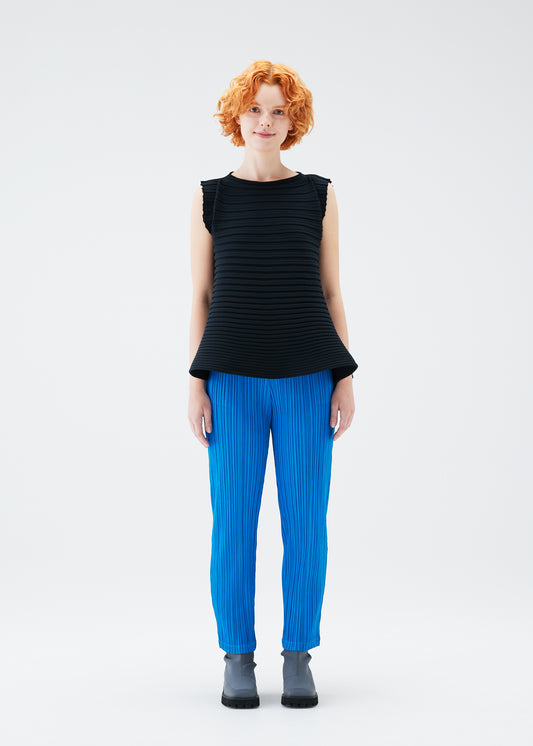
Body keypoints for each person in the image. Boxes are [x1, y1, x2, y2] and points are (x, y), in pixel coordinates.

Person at [188, 60, 358, 709]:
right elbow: (201, 296)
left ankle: (297, 655)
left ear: (294, 121)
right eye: (255, 109)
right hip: (230, 382)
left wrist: (343, 377)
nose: (265, 121)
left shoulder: (318, 195)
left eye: (278, 111)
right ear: (237, 115)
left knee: (305, 521)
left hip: (307, 380)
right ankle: (237, 655)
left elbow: (332, 292)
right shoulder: (211, 197)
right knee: (232, 522)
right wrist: (196, 383)